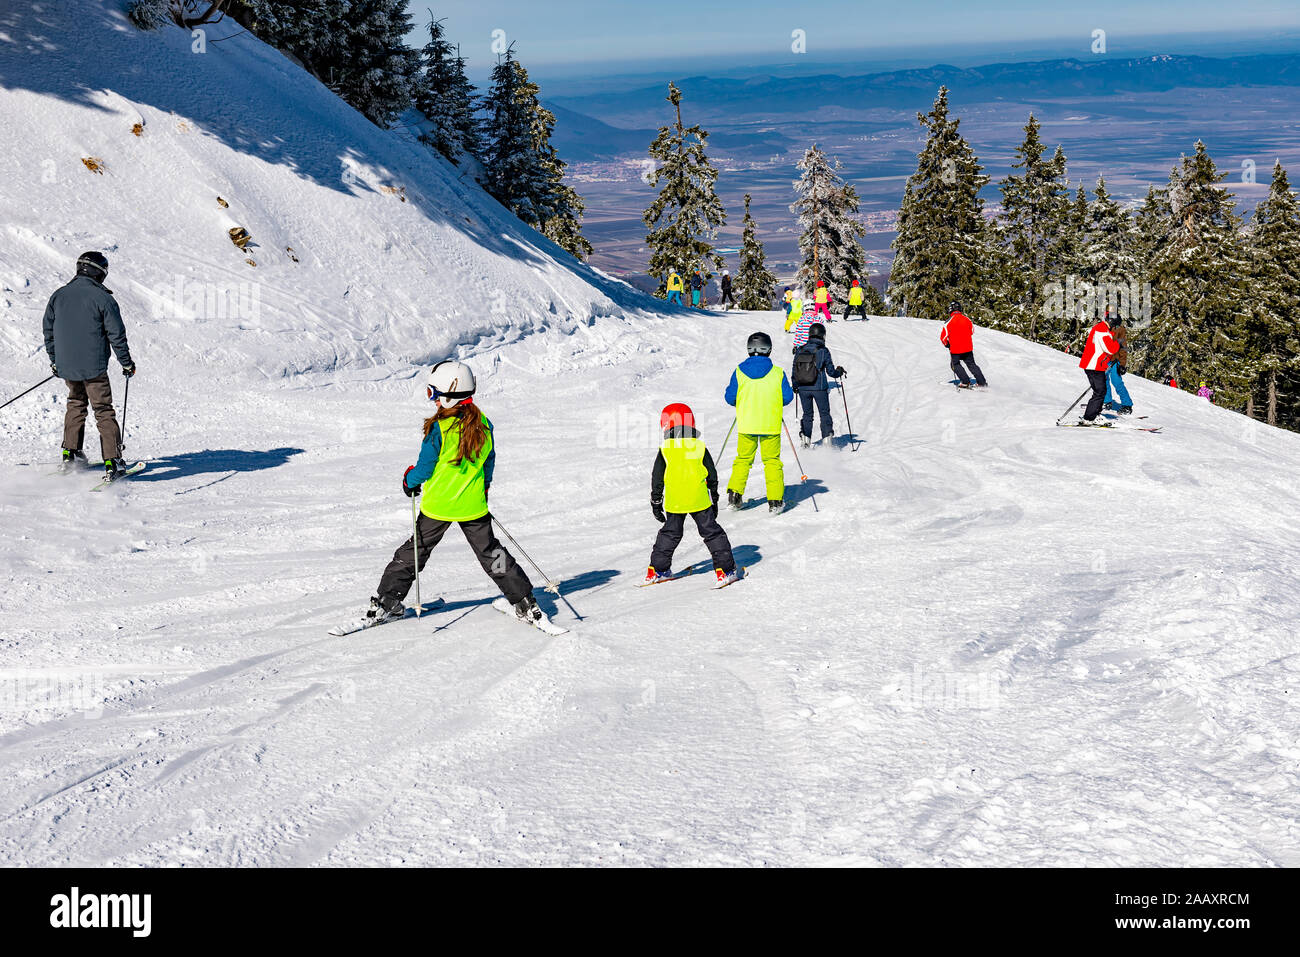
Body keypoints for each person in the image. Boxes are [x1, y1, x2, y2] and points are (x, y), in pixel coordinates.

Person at [349, 360, 548, 630]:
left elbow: (425, 468)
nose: (432, 400)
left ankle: (386, 604)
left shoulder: (438, 429)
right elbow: (488, 463)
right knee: (493, 555)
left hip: (438, 507)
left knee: (413, 554)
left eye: (432, 393)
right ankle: (525, 602)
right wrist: (484, 489)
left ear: (445, 396)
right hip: (473, 507)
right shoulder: (484, 424)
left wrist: (409, 480)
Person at [42, 251, 136, 478]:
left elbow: (48, 331)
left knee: (75, 403)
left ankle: (70, 455)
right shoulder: (103, 298)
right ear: (99, 272)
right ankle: (113, 461)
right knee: (103, 409)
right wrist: (126, 363)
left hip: (67, 366)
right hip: (94, 368)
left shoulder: (59, 295)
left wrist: (55, 360)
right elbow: (117, 335)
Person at [645, 403, 741, 587]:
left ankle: (657, 570)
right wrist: (714, 497)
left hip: (675, 500)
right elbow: (711, 473)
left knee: (670, 534)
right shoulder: (698, 446)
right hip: (699, 498)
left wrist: (656, 500)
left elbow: (657, 477)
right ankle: (725, 570)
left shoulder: (665, 449)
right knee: (712, 533)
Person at [724, 332, 794, 514]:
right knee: (771, 461)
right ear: (769, 349)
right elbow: (787, 397)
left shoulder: (739, 371)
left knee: (743, 459)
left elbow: (730, 397)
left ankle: (734, 496)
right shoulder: (778, 372)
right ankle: (775, 501)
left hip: (746, 424)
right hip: (770, 425)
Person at [791, 322, 846, 446]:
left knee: (807, 414)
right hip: (819, 388)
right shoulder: (823, 350)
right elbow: (831, 372)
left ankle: (805, 440)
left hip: (803, 388)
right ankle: (827, 440)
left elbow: (795, 368)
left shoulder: (800, 349)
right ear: (822, 335)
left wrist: (795, 384)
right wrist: (839, 372)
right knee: (824, 413)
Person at [1078, 314, 1119, 424]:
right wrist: (1117, 343)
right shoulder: (1102, 330)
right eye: (1115, 325)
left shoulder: (1102, 329)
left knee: (1100, 391)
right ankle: (1089, 418)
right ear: (1112, 323)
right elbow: (1110, 349)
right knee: (1100, 392)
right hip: (1094, 366)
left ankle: (1094, 415)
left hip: (1095, 365)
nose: (1115, 328)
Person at [940, 301, 987, 389]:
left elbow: (943, 338)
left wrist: (947, 344)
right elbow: (972, 331)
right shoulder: (967, 319)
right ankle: (982, 382)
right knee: (972, 365)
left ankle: (965, 382)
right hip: (968, 348)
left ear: (951, 310)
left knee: (955, 365)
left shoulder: (948, 322)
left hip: (955, 350)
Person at [1102, 315, 1133, 415]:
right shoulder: (1104, 327)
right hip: (1104, 360)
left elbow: (1123, 347)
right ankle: (1107, 402)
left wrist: (1122, 364)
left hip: (1115, 361)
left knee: (1117, 382)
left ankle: (1127, 405)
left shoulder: (1120, 330)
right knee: (1104, 381)